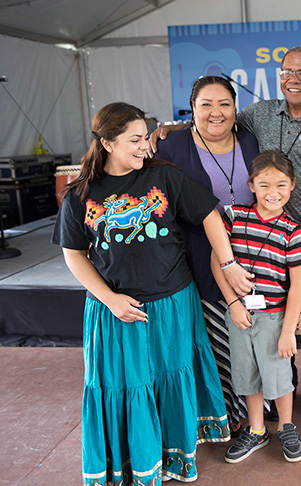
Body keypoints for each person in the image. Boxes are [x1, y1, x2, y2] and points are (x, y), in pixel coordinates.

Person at [151, 46, 301, 428]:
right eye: (286, 72)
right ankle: (285, 389)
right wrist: (171, 129)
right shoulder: (258, 114)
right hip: (258, 245)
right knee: (272, 321)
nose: (292, 79)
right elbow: (215, 122)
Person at [52, 102, 236, 484]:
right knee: (126, 386)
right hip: (115, 312)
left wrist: (229, 262)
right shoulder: (78, 196)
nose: (144, 147)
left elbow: (209, 215)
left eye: (144, 138)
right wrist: (111, 299)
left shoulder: (164, 178)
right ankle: (136, 463)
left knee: (172, 377)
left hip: (172, 303)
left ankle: (174, 459)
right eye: (134, 140)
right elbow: (74, 257)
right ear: (106, 143)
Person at [155, 76, 260, 430]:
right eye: (206, 105)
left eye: (224, 104)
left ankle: (257, 406)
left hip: (250, 253)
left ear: (235, 108)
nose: (216, 112)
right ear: (192, 109)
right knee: (213, 338)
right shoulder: (171, 146)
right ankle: (224, 413)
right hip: (196, 255)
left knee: (251, 331)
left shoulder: (249, 141)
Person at [211, 150, 301, 464]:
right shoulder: (234, 217)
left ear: (292, 185)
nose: (273, 192)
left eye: (281, 185)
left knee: (279, 375)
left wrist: (287, 331)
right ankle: (255, 430)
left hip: (274, 318)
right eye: (264, 184)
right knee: (246, 374)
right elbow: (218, 262)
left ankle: (286, 426)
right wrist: (233, 304)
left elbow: (298, 286)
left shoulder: (293, 232)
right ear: (251, 185)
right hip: (239, 314)